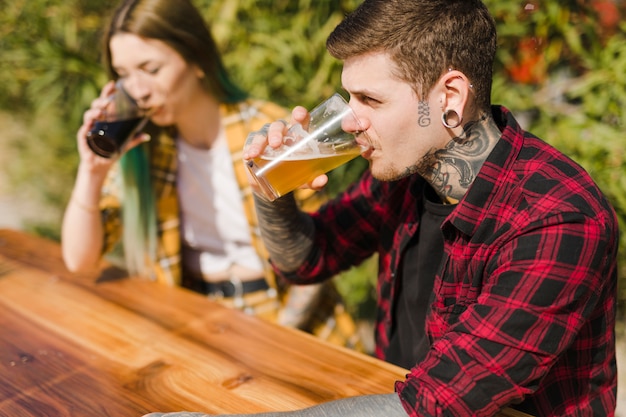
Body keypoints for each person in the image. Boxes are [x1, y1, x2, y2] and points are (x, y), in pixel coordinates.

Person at [143, 0, 619, 416]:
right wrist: (271, 188)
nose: (350, 119)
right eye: (349, 96)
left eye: (370, 98)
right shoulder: (410, 173)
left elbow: (434, 405)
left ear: (449, 97)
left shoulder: (559, 217)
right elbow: (307, 260)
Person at [61, 0, 361, 350]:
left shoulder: (264, 130)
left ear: (196, 58)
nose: (138, 90)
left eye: (151, 68)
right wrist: (92, 169)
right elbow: (78, 260)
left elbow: (316, 251)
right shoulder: (145, 149)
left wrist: (278, 337)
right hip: (192, 318)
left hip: (287, 323)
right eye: (124, 75)